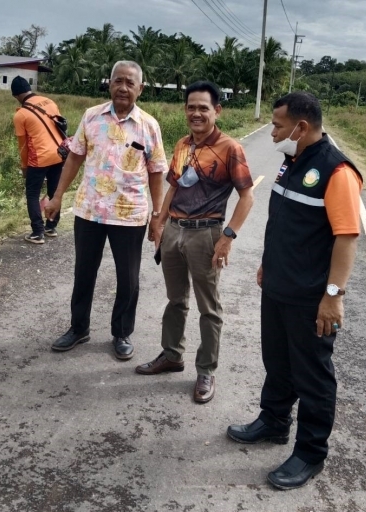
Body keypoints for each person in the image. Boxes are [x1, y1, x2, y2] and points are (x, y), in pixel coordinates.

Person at [226, 92, 363, 490]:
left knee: (313, 376)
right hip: (279, 286)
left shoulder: (336, 171)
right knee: (278, 360)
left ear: (301, 128)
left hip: (311, 297)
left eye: (278, 125)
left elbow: (347, 238)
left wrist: (334, 295)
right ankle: (273, 420)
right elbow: (285, 220)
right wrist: (269, 263)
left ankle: (310, 453)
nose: (272, 132)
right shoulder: (293, 162)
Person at [135, 81, 254, 404]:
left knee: (208, 306)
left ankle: (206, 370)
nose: (196, 113)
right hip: (174, 229)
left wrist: (227, 237)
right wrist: (158, 221)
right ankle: (172, 354)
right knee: (176, 299)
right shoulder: (182, 144)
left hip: (207, 234)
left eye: (203, 107)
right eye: (191, 107)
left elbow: (247, 197)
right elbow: (173, 185)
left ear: (217, 110)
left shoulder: (230, 148)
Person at [45, 61, 168, 360]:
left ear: (140, 88)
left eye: (130, 82)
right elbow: (74, 158)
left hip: (130, 214)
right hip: (90, 211)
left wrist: (157, 216)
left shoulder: (149, 125)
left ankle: (122, 332)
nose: (123, 87)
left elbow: (156, 172)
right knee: (84, 272)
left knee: (128, 278)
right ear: (109, 83)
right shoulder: (91, 116)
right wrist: (57, 197)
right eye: (118, 81)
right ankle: (78, 328)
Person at [12, 76, 64, 244]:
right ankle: (51, 227)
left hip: (39, 158)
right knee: (54, 191)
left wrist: (24, 167)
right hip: (59, 154)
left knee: (32, 194)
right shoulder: (49, 102)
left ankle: (37, 232)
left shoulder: (21, 114)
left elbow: (23, 145)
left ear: (16, 95)